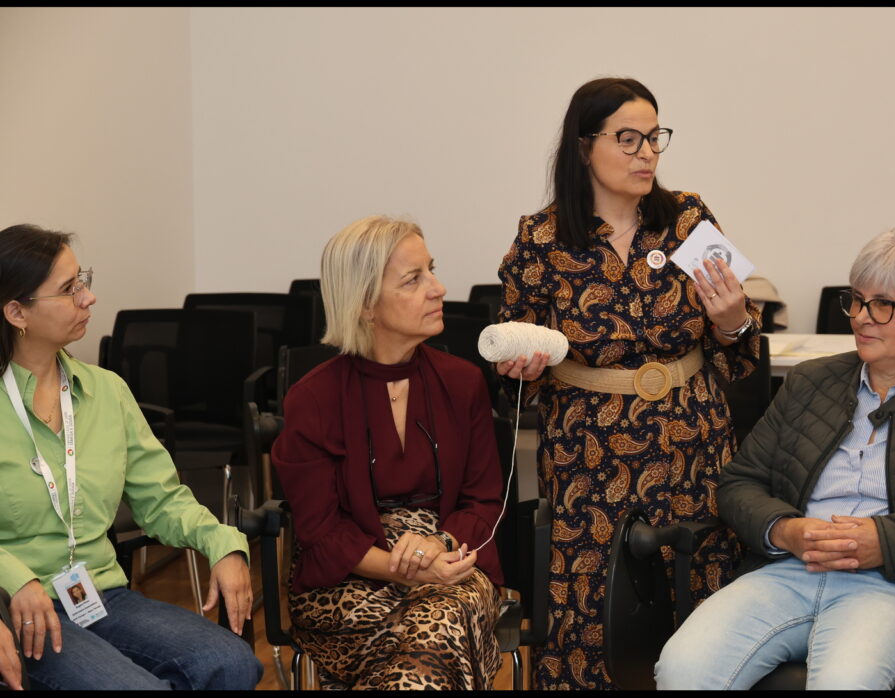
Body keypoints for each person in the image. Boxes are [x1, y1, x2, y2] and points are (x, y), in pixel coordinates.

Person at [655, 227, 895, 690]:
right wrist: (784, 530)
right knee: (682, 669)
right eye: (857, 300)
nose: (862, 318)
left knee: (845, 682)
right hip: (789, 572)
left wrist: (885, 541)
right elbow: (738, 482)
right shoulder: (811, 381)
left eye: (882, 305)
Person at [497, 76, 762, 689]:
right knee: (593, 613)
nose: (647, 153)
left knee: (699, 599)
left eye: (654, 137)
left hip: (692, 443)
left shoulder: (689, 218)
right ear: (584, 146)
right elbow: (513, 365)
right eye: (628, 139)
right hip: (588, 455)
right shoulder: (540, 238)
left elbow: (742, 354)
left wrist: (733, 322)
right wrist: (521, 368)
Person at [0, 224, 263, 690]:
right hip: (19, 611)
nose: (89, 298)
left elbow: (162, 499)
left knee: (230, 662)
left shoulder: (107, 391)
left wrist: (222, 543)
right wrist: (15, 578)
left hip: (97, 596)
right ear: (17, 312)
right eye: (69, 289)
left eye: (83, 281)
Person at [271, 215, 506, 690]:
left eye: (432, 270)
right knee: (435, 636)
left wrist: (438, 548)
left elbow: (483, 501)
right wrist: (409, 569)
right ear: (365, 304)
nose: (438, 288)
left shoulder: (463, 383)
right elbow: (321, 531)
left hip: (450, 560)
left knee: (441, 621)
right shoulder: (311, 398)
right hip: (349, 576)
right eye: (413, 279)